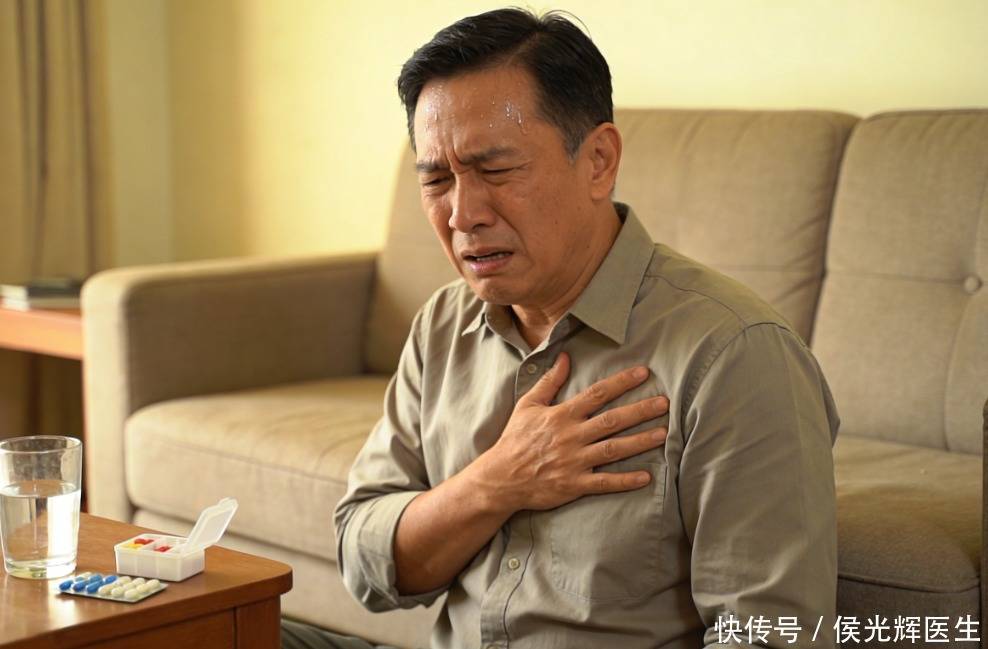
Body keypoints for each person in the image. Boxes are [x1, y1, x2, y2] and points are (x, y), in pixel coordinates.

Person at [283, 7, 839, 649]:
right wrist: (495, 483)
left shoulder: (733, 355)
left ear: (599, 160)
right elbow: (364, 562)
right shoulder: (443, 323)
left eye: (496, 170)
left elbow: (774, 634)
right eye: (436, 179)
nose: (462, 215)